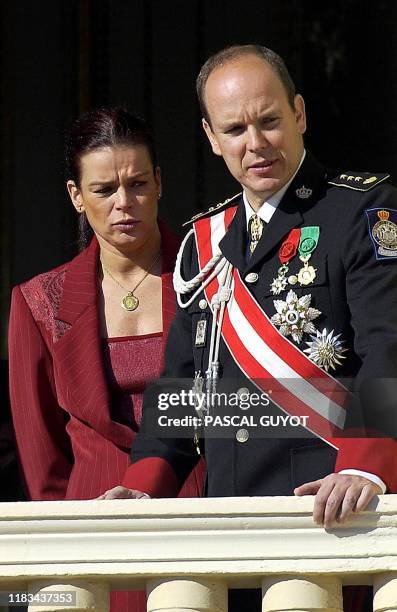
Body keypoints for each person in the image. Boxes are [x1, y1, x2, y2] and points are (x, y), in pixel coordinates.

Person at [99, 47, 397, 610]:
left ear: (300, 114)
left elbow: (390, 346)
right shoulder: (205, 240)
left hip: (330, 518)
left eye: (269, 121)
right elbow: (182, 383)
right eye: (235, 129)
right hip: (230, 528)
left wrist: (365, 460)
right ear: (212, 137)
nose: (255, 145)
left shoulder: (361, 212)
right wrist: (145, 483)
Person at [8, 107, 205, 612]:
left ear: (159, 182)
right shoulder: (39, 302)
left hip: (203, 516)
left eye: (138, 183)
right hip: (93, 530)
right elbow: (43, 461)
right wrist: (65, 551)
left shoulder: (210, 276)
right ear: (77, 196)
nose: (125, 204)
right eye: (103, 190)